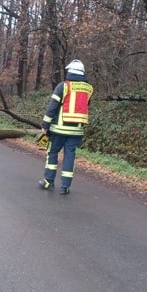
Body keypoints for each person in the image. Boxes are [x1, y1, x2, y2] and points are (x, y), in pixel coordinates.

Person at [38, 59, 94, 195]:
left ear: (70, 71)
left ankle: (48, 181)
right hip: (77, 131)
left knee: (52, 153)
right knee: (70, 156)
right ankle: (65, 187)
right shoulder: (89, 89)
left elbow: (52, 107)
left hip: (58, 129)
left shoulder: (63, 86)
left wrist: (45, 125)